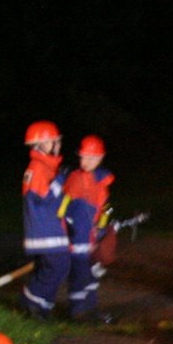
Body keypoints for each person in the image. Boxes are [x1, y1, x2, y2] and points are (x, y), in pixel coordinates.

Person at [58, 134, 116, 324]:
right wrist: (67, 233)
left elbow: (105, 206)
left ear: (100, 158)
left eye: (91, 158)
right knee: (79, 277)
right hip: (78, 239)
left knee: (91, 277)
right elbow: (63, 209)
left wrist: (104, 226)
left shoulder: (102, 180)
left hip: (92, 238)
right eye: (83, 157)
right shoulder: (75, 179)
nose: (86, 162)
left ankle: (90, 309)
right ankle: (78, 312)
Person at [19, 121, 72, 319]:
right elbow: (42, 198)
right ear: (39, 144)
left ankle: (41, 308)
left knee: (55, 269)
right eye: (53, 141)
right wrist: (59, 181)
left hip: (52, 230)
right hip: (45, 233)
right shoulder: (37, 168)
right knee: (57, 267)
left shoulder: (47, 168)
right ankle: (31, 302)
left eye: (57, 141)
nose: (57, 145)